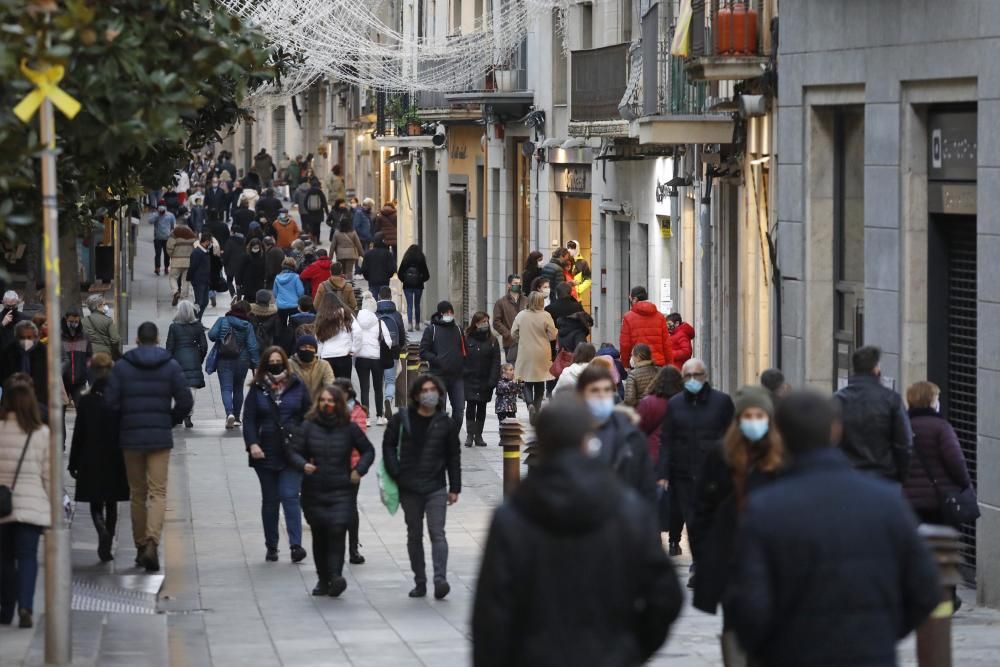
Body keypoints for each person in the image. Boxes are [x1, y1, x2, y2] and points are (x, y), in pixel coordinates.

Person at [724, 390, 941, 667]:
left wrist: (769, 648)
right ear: (835, 431)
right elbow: (925, 588)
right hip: (869, 655)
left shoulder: (764, 510)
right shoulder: (885, 501)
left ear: (780, 434)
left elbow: (748, 604)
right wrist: (882, 633)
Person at [471, 395, 683, 667]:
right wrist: (632, 648)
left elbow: (491, 614)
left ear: (541, 445)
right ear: (589, 442)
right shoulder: (627, 509)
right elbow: (665, 595)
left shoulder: (513, 517)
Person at [691, 386, 785, 663]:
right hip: (732, 559)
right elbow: (701, 510)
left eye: (759, 415)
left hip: (773, 560)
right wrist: (706, 555)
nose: (753, 421)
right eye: (748, 415)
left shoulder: (782, 459)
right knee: (735, 623)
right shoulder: (721, 456)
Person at [106, 322, 193, 572]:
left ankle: (140, 544)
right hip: (159, 438)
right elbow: (185, 400)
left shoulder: (122, 367)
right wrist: (170, 420)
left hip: (131, 439)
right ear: (156, 339)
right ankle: (153, 540)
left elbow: (110, 404)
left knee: (137, 493)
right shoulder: (170, 365)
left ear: (136, 339)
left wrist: (124, 422)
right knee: (158, 492)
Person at [289, 384, 373, 596]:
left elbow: (368, 451)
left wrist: (358, 470)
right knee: (320, 535)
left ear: (338, 404)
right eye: (323, 400)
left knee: (337, 531)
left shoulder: (348, 427)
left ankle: (335, 576)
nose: (327, 404)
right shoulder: (308, 426)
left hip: (341, 489)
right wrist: (303, 464)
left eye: (331, 401)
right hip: (314, 490)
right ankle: (322, 579)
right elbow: (293, 452)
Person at [383, 374, 461, 599]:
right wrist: (396, 472)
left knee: (438, 533)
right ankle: (420, 581)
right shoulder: (402, 419)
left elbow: (453, 456)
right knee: (414, 534)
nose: (429, 394)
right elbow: (388, 445)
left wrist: (455, 487)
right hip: (409, 487)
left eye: (433, 390)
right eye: (425, 390)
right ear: (416, 395)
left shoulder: (445, 422)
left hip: (436, 485)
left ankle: (440, 579)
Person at [659, 357, 734, 569]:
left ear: (706, 377)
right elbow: (667, 439)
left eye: (696, 375)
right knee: (691, 518)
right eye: (688, 376)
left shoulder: (722, 402)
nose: (692, 380)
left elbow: (731, 436)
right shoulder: (675, 404)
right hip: (683, 473)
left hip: (713, 472)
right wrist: (663, 473)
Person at [242, 347, 311, 563]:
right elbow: (249, 419)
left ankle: (295, 545)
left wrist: (305, 440)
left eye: (278, 360)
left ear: (285, 362)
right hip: (265, 451)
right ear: (265, 364)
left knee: (290, 496)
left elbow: (308, 414)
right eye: (271, 361)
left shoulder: (297, 385)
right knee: (271, 500)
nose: (275, 364)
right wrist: (252, 443)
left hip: (292, 450)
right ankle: (271, 545)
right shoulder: (258, 388)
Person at [0, 374, 51, 629]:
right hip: (32, 505)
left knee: (5, 559)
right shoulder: (41, 433)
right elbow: (48, 476)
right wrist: (52, 509)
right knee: (28, 557)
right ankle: (26, 606)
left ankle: (6, 608)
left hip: (3, 506)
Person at [68, 353, 129, 563]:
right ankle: (108, 540)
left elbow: (79, 434)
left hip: (90, 456)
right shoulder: (120, 398)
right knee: (112, 502)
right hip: (115, 455)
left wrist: (73, 462)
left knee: (96, 502)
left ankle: (101, 530)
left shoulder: (86, 401)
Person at [576, 365, 657, 501]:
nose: (602, 395)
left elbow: (646, 486)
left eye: (607, 390)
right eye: (595, 390)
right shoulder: (570, 432)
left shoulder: (631, 434)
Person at [835, 345, 912, 483]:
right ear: (876, 368)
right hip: (883, 476)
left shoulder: (838, 400)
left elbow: (831, 441)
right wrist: (903, 476)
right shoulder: (891, 399)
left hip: (847, 476)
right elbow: (904, 443)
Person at [903, 381, 975, 526]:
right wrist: (966, 484)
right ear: (931, 402)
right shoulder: (941, 427)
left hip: (907, 501)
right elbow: (955, 461)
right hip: (938, 501)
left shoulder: (900, 427)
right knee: (940, 545)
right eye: (936, 398)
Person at [636, 365, 685, 553]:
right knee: (677, 501)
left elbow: (639, 429)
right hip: (678, 456)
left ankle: (655, 536)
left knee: (654, 497)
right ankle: (674, 541)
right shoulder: (682, 402)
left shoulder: (649, 403)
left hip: (653, 456)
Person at [333, 378, 371, 564]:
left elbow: (360, 441)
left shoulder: (357, 412)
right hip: (330, 467)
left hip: (351, 468)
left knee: (349, 507)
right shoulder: (327, 409)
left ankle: (353, 548)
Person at [208, 300, 261, 430]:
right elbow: (252, 346)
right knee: (238, 388)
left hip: (224, 359)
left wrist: (222, 336)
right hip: (242, 361)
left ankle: (229, 413)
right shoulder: (247, 325)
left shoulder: (222, 320)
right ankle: (237, 418)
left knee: (226, 388)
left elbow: (211, 335)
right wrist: (257, 364)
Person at [420, 301, 467, 431]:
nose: (449, 315)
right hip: (438, 376)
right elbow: (423, 351)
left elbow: (465, 350)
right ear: (440, 314)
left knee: (459, 411)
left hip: (457, 376)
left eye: (451, 312)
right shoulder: (432, 330)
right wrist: (437, 360)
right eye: (446, 312)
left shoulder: (458, 329)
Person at [510, 292, 557, 416]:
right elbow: (553, 335)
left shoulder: (521, 315)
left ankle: (529, 404)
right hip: (542, 352)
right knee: (540, 381)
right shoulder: (546, 315)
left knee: (526, 381)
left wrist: (521, 339)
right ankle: (536, 408)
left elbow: (513, 333)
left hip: (525, 351)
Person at [165, 301, 208, 428]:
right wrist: (199, 357)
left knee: (177, 387)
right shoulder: (198, 326)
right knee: (191, 388)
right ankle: (188, 414)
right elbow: (204, 346)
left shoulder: (173, 327)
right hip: (193, 357)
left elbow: (169, 346)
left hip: (177, 359)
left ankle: (178, 414)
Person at [463, 312, 501, 448]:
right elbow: (461, 358)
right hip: (470, 378)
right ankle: (469, 434)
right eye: (482, 321)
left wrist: (493, 380)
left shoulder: (492, 341)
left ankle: (478, 435)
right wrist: (464, 373)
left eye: (486, 321)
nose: (485, 324)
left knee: (482, 407)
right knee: (471, 406)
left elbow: (496, 362)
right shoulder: (467, 339)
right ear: (475, 323)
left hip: (485, 379)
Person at [354, 308, 392, 425]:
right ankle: (380, 416)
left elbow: (354, 338)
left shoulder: (356, 322)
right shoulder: (380, 322)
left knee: (364, 389)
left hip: (361, 358)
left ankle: (366, 418)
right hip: (377, 359)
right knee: (378, 388)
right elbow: (388, 341)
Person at [620, 286, 672, 369]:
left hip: (638, 363)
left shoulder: (628, 317)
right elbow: (667, 344)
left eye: (630, 298)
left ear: (634, 299)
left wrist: (625, 365)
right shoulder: (660, 317)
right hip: (658, 364)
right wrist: (669, 365)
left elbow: (625, 344)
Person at [0, 322, 48, 412]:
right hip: (12, 399)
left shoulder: (43, 351)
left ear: (35, 337)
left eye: (29, 337)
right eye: (22, 337)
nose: (26, 341)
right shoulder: (8, 351)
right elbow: (3, 376)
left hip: (38, 399)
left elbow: (46, 377)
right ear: (16, 337)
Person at [376, 286, 407, 418]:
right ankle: (388, 399)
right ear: (390, 297)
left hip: (377, 351)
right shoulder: (396, 314)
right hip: (392, 351)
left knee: (378, 382)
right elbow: (401, 334)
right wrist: (399, 348)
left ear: (378, 297)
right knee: (390, 380)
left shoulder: (374, 313)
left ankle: (379, 412)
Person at [316, 297, 359, 379]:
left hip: (327, 356)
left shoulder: (321, 317)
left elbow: (318, 338)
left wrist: (319, 355)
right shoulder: (346, 315)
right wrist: (354, 349)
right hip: (344, 355)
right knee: (344, 387)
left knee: (329, 387)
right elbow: (357, 331)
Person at [491, 274, 526, 364]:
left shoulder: (526, 300)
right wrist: (508, 334)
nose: (518, 285)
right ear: (509, 285)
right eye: (515, 283)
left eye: (519, 283)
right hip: (510, 343)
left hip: (526, 342)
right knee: (512, 368)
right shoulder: (501, 302)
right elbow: (496, 322)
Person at [288, 334, 334, 401]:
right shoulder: (289, 363)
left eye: (311, 347)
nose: (307, 349)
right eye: (304, 347)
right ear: (298, 349)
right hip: (296, 403)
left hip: (317, 404)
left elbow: (329, 385)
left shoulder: (324, 365)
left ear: (315, 350)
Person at [60, 309, 92, 405]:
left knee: (83, 410)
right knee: (60, 412)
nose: (74, 324)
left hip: (80, 381)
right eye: (71, 321)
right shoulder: (59, 336)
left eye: (76, 322)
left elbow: (89, 356)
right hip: (62, 381)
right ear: (66, 320)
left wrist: (86, 372)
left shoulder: (84, 336)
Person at [398, 244, 430, 331]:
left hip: (407, 286)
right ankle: (417, 324)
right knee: (417, 305)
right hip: (418, 286)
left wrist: (404, 280)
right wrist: (420, 280)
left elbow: (399, 273)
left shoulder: (406, 260)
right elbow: (427, 275)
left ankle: (409, 324)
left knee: (409, 305)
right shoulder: (421, 260)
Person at [166, 218, 197, 303]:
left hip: (176, 261)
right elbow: (196, 247)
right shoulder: (191, 234)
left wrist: (172, 255)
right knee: (186, 280)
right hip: (188, 261)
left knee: (173, 277)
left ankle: (175, 292)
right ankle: (184, 298)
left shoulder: (174, 234)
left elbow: (169, 247)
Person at [82, 294, 122, 359]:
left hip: (90, 353)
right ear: (98, 306)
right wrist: (114, 351)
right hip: (105, 353)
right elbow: (115, 339)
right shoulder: (107, 320)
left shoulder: (83, 321)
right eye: (104, 304)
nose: (105, 306)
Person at [187, 231, 214, 321]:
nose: (211, 243)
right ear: (206, 241)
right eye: (210, 241)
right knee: (199, 302)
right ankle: (195, 320)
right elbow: (192, 266)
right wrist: (190, 278)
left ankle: (198, 320)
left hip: (205, 281)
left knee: (205, 301)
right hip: (199, 281)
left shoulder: (205, 252)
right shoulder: (197, 252)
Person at [360, 235, 396, 299]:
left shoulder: (368, 254)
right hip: (385, 281)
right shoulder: (388, 254)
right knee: (384, 299)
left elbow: (364, 269)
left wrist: (368, 277)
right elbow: (392, 268)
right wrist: (388, 276)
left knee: (374, 301)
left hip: (372, 281)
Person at [273, 257, 305, 327]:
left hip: (281, 306)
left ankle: (283, 337)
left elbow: (275, 294)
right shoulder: (296, 277)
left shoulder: (277, 277)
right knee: (294, 326)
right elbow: (300, 292)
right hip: (294, 305)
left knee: (281, 325)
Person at [332, 211, 364, 276]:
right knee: (349, 271)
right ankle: (349, 284)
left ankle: (342, 284)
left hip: (340, 254)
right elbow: (358, 244)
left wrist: (330, 257)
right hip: (351, 255)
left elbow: (333, 246)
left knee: (341, 272)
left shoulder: (337, 233)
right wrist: (362, 254)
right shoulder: (353, 232)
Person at [150, 203, 175, 275]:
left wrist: (172, 234)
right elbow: (150, 221)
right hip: (157, 238)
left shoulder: (170, 215)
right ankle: (157, 268)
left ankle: (166, 267)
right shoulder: (156, 215)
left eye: (163, 211)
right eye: (160, 211)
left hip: (167, 238)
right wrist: (157, 216)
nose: (161, 213)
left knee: (167, 254)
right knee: (158, 254)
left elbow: (173, 226)